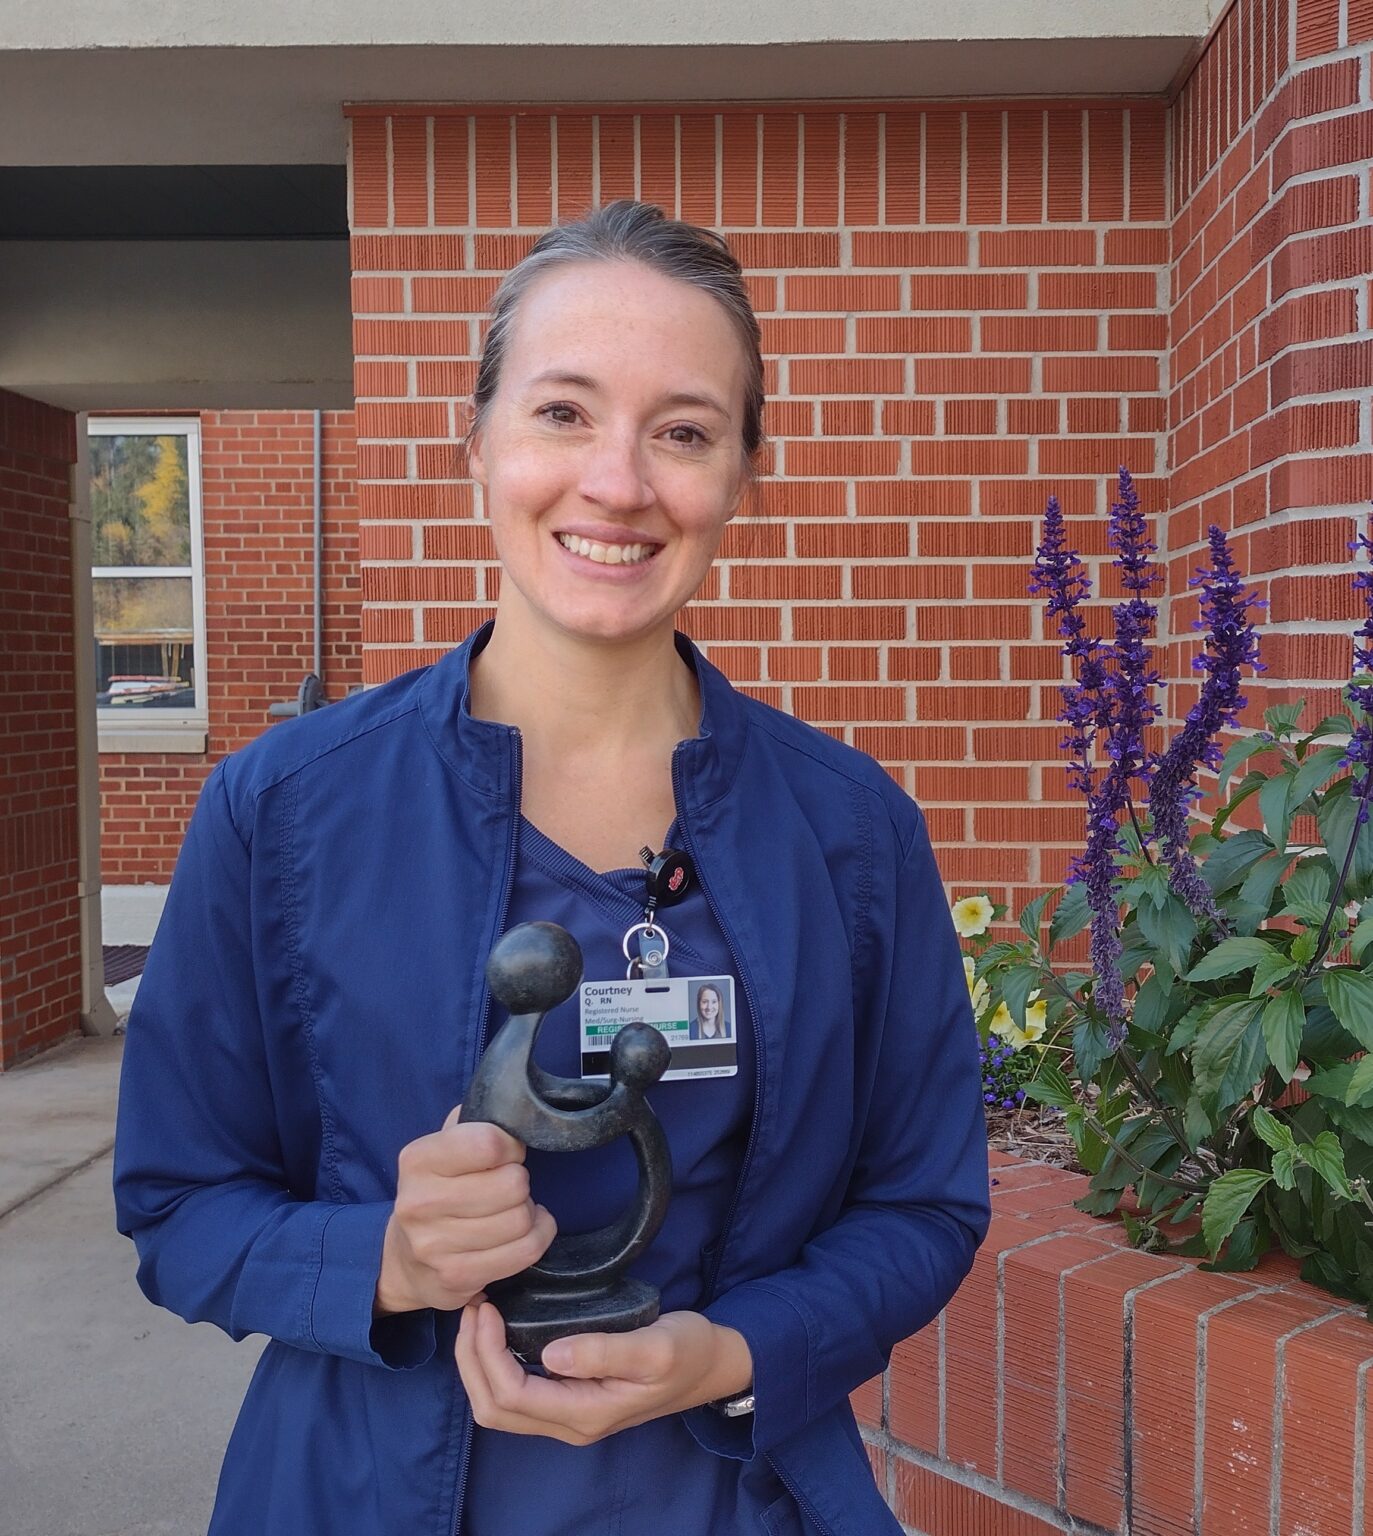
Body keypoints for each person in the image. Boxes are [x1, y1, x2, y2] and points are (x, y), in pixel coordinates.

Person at [113, 200, 991, 1536]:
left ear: (743, 470)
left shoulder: (852, 832)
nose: (619, 482)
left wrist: (738, 1351)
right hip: (353, 1495)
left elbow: (920, 1204)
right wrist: (383, 1258)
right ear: (477, 439)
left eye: (683, 431)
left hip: (734, 1501)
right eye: (564, 413)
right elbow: (180, 1203)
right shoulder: (281, 811)